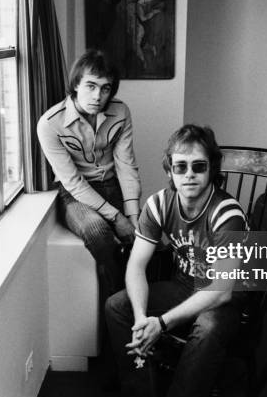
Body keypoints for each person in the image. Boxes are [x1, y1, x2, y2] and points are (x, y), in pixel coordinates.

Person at [105, 124, 250, 397]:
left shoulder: (226, 213)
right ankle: (141, 389)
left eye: (199, 166)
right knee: (117, 307)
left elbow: (221, 291)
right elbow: (136, 265)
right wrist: (141, 321)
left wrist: (160, 324)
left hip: (225, 298)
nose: (190, 175)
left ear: (211, 170)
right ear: (169, 171)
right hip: (184, 286)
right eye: (180, 167)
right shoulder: (159, 203)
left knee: (208, 327)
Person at [37, 50, 141, 374]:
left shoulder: (121, 113)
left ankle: (134, 314)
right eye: (91, 86)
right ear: (75, 85)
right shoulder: (50, 124)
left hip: (113, 186)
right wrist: (117, 219)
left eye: (106, 88)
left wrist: (134, 218)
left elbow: (126, 167)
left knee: (146, 237)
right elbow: (73, 182)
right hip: (76, 196)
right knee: (99, 233)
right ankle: (119, 313)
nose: (99, 96)